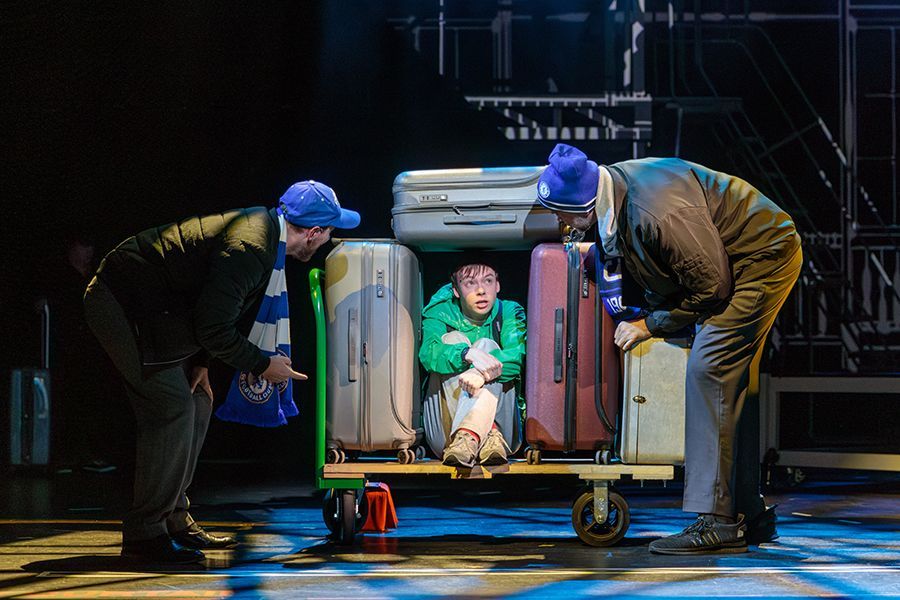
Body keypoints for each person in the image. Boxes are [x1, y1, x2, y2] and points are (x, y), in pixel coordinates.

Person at [537, 143, 802, 555]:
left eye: (562, 214)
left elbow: (712, 286)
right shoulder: (615, 189)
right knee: (733, 385)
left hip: (760, 257)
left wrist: (649, 324)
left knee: (709, 369)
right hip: (728, 261)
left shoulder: (656, 210)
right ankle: (748, 514)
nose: (559, 222)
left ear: (585, 205)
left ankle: (717, 524)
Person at [83, 180, 360, 563]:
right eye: (329, 232)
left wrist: (201, 362)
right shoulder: (251, 247)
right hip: (120, 302)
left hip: (162, 313)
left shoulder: (265, 239)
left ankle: (174, 517)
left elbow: (209, 304)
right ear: (313, 233)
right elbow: (213, 326)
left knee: (198, 401)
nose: (329, 240)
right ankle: (146, 534)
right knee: (171, 407)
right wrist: (264, 365)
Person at [419, 261, 526, 468]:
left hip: (500, 441)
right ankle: (469, 435)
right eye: (470, 283)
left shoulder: (508, 311)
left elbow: (516, 358)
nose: (481, 290)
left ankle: (482, 432)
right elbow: (427, 354)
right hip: (446, 436)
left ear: (497, 286)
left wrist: (480, 373)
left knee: (487, 345)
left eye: (488, 281)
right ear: (456, 291)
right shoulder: (439, 312)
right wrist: (467, 354)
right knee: (453, 340)